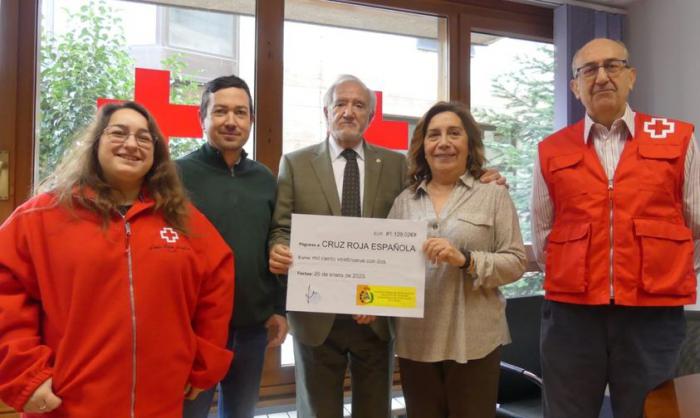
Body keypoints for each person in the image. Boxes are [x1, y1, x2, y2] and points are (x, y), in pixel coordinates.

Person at [268, 75, 506, 418]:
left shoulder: (396, 166)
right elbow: (282, 228)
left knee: (375, 411)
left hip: (375, 316)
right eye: (340, 104)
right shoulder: (295, 163)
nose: (349, 112)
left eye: (359, 105)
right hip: (316, 313)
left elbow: (438, 186)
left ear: (371, 117)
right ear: (326, 111)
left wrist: (487, 176)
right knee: (318, 412)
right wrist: (278, 247)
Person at [0, 101, 235, 417]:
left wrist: (204, 362)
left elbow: (216, 287)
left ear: (156, 153)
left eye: (143, 137)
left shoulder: (182, 220)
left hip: (160, 402)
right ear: (96, 142)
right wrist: (25, 373)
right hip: (70, 403)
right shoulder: (42, 217)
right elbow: (6, 296)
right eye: (119, 133)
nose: (131, 144)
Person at [531, 38, 700, 418]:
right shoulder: (552, 149)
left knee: (651, 412)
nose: (602, 77)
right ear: (575, 86)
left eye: (613, 66)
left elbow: (695, 223)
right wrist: (580, 275)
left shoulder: (677, 138)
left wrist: (665, 269)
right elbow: (543, 233)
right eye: (588, 70)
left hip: (651, 314)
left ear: (631, 77)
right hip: (572, 316)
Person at [388, 101, 526, 417]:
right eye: (434, 135)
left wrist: (466, 260)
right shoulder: (404, 202)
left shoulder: (493, 194)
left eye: (454, 133)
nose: (444, 142)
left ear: (469, 143)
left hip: (475, 341)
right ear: (423, 146)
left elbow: (516, 261)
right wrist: (367, 302)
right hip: (416, 341)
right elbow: (388, 268)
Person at [178, 75, 287, 418]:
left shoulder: (265, 179)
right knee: (188, 411)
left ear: (251, 121)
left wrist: (279, 307)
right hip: (194, 329)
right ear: (203, 118)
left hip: (252, 329)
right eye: (220, 111)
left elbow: (276, 241)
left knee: (241, 413)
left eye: (240, 113)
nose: (231, 121)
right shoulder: (174, 176)